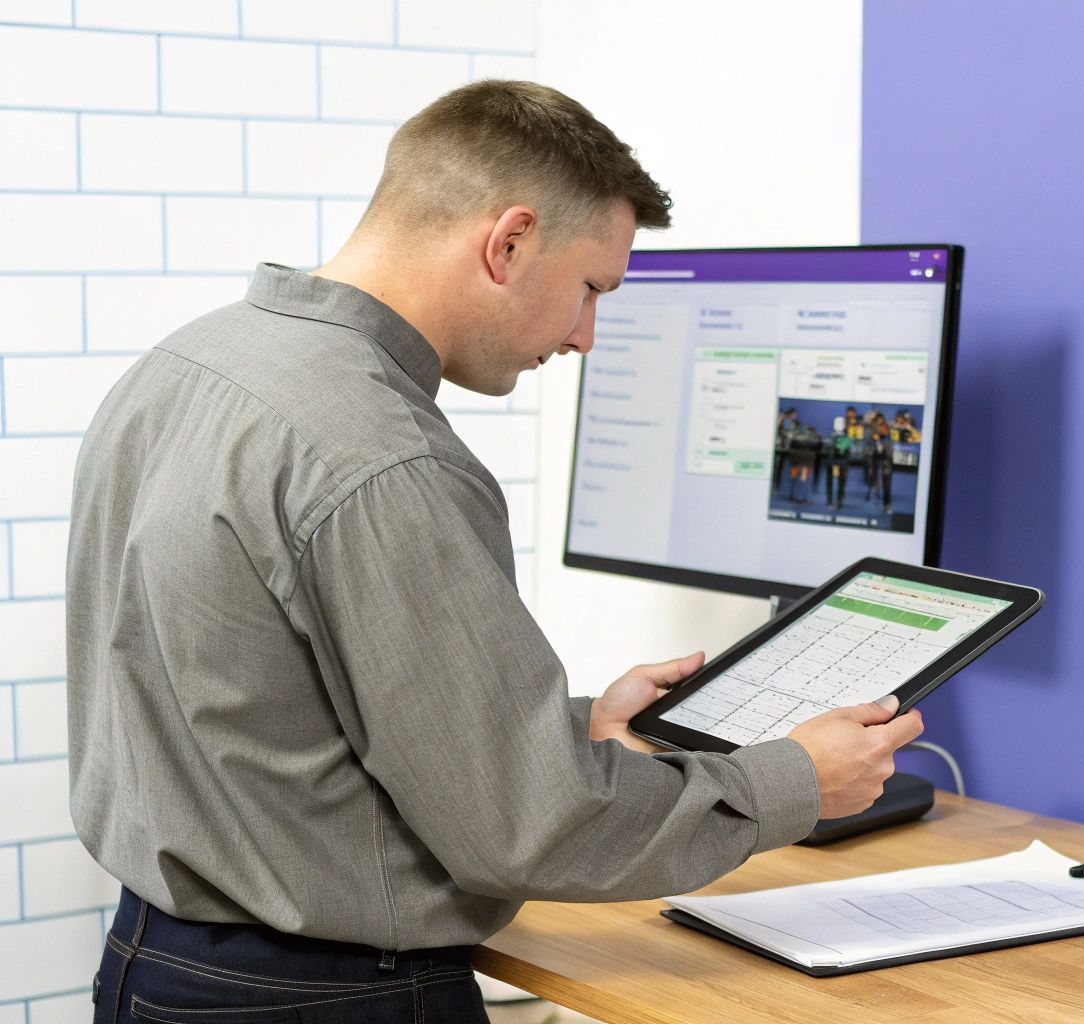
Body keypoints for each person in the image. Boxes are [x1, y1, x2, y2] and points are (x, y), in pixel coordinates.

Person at [66, 81, 922, 1023]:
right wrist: (794, 779)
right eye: (593, 288)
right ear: (507, 241)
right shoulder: (386, 457)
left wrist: (566, 732)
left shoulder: (190, 364)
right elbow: (527, 831)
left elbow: (254, 704)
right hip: (321, 999)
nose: (587, 337)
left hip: (151, 968)